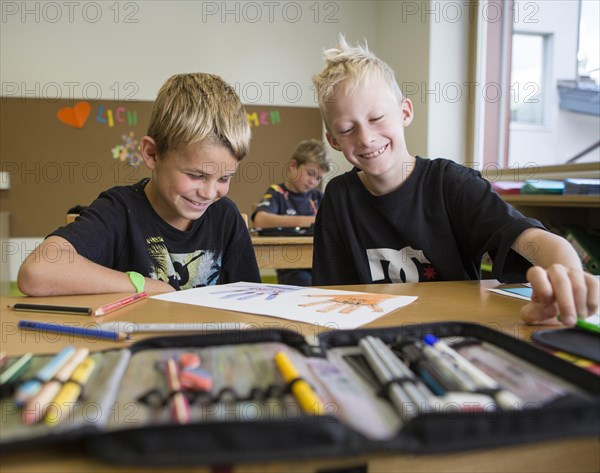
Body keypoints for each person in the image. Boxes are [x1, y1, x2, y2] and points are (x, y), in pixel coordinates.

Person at [310, 36, 598, 327]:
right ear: (333, 140)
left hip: (457, 331)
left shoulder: (451, 184)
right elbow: (329, 294)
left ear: (405, 112)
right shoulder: (338, 196)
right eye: (347, 129)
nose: (366, 138)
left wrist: (567, 271)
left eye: (377, 118)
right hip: (374, 335)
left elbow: (528, 236)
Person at [18, 73, 261, 296]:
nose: (209, 193)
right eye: (196, 175)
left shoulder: (225, 217)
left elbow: (251, 305)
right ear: (152, 154)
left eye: (224, 178)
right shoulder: (119, 211)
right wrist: (146, 285)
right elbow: (36, 273)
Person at [252, 139, 330, 286]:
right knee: (305, 284)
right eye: (310, 173)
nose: (314, 181)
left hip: (319, 263)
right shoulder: (277, 193)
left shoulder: (318, 197)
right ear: (293, 166)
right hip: (290, 266)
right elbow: (260, 220)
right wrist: (309, 221)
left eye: (318, 178)